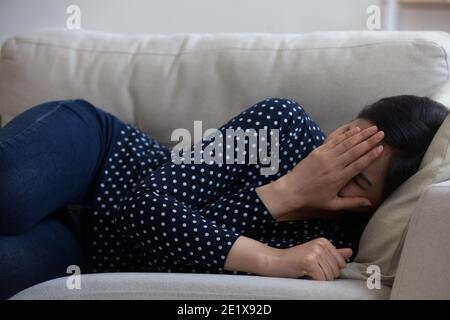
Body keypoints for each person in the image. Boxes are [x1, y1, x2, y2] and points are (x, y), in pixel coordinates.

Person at [0, 95, 447, 299]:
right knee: (10, 193)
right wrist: (285, 195)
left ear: (375, 206)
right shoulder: (284, 125)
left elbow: (162, 263)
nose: (332, 164)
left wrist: (284, 215)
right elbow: (142, 207)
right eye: (344, 140)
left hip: (88, 249)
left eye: (357, 178)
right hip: (97, 155)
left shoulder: (324, 247)